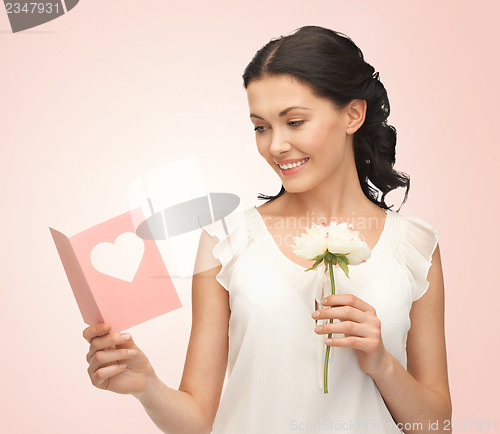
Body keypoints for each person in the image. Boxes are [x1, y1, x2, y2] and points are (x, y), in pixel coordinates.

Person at [83, 25, 452, 433]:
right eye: (261, 127)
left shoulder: (415, 247)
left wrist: (381, 363)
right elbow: (197, 420)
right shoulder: (226, 242)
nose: (275, 146)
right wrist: (146, 386)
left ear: (352, 114)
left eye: (294, 122)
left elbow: (436, 427)